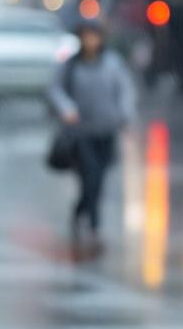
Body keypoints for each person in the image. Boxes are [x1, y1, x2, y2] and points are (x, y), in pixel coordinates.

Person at [47, 19, 136, 254]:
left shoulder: (113, 64)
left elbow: (125, 90)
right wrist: (67, 108)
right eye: (85, 36)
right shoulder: (70, 66)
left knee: (99, 178)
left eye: (94, 36)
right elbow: (55, 90)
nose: (90, 41)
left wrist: (124, 115)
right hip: (81, 133)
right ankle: (94, 225)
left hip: (106, 131)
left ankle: (80, 211)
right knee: (90, 175)